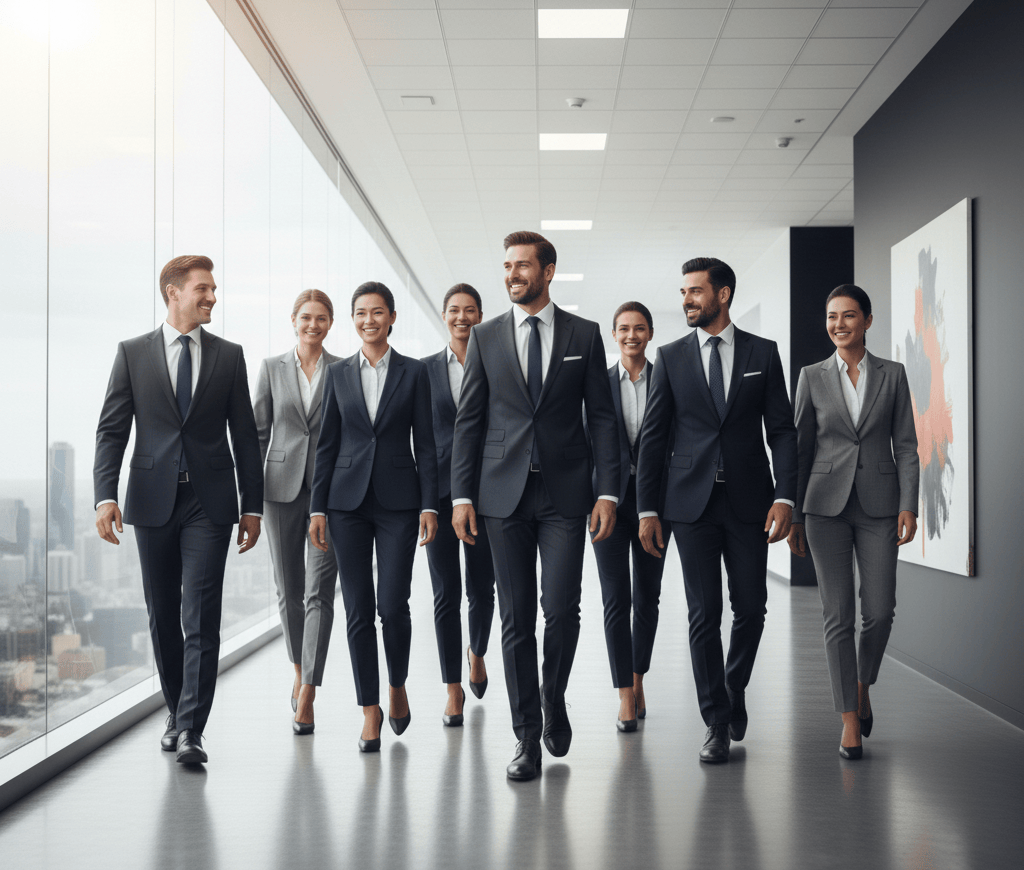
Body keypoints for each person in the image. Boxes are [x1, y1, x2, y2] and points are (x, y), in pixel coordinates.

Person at [451, 231, 620, 782]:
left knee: (562, 610)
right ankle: (526, 735)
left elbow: (601, 417)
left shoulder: (585, 335)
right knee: (515, 617)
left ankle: (553, 695)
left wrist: (608, 490)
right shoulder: (486, 336)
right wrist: (461, 495)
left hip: (566, 495)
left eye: (523, 265)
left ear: (548, 271)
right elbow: (469, 421)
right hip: (502, 496)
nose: (512, 274)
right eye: (506, 266)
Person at [94, 255, 263, 764]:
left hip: (209, 505)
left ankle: (191, 728)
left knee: (201, 612)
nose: (212, 297)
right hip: (151, 501)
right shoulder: (132, 353)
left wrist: (251, 506)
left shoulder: (229, 356)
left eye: (214, 289)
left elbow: (246, 439)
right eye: (203, 289)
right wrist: (106, 495)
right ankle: (175, 709)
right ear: (173, 292)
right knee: (163, 613)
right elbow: (112, 429)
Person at [636, 257, 797, 764]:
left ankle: (732, 687)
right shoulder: (670, 357)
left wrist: (786, 496)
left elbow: (783, 432)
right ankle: (715, 720)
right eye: (683, 291)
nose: (687, 299)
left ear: (722, 294)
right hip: (690, 506)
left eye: (696, 291)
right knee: (704, 612)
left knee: (751, 608)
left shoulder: (762, 353)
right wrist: (646, 509)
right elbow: (654, 438)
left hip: (750, 502)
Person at [787, 285, 919, 759]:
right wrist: (797, 513)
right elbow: (800, 448)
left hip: (881, 504)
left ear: (867, 320)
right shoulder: (811, 376)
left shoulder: (893, 374)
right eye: (831, 316)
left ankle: (862, 683)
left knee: (879, 611)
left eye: (847, 316)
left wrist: (910, 504)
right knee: (837, 615)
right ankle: (848, 718)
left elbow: (905, 444)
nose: (838, 324)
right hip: (824, 507)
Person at [308, 281, 438, 752]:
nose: (369, 320)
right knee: (358, 609)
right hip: (345, 504)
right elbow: (326, 445)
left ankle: (397, 684)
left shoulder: (414, 372)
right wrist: (318, 507)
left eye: (377, 312)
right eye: (361, 312)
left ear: (392, 317)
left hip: (400, 502)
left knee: (392, 605)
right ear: (353, 318)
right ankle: (369, 709)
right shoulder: (338, 373)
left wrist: (429, 504)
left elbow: (425, 443)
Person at [253, 290, 341, 735]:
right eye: (306, 317)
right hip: (279, 490)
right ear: (293, 320)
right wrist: (249, 498)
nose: (313, 325)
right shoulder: (272, 368)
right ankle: (297, 665)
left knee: (319, 591)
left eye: (321, 318)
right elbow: (258, 432)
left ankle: (308, 689)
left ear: (330, 323)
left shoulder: (343, 369)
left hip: (331, 494)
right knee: (288, 590)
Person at [590, 302, 672, 733]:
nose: (631, 335)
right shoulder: (598, 384)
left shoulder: (668, 379)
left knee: (648, 596)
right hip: (607, 505)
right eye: (623, 328)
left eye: (639, 328)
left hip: (656, 505)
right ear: (614, 334)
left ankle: (639, 678)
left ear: (651, 332)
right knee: (614, 598)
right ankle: (624, 692)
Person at [421, 284, 496, 726]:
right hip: (439, 494)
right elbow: (422, 440)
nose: (462, 317)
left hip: (488, 494)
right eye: (454, 310)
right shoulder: (425, 371)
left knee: (481, 588)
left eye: (470, 310)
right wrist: (426, 502)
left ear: (481, 315)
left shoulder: (498, 365)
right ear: (444, 315)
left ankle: (478, 651)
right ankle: (452, 687)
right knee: (445, 592)